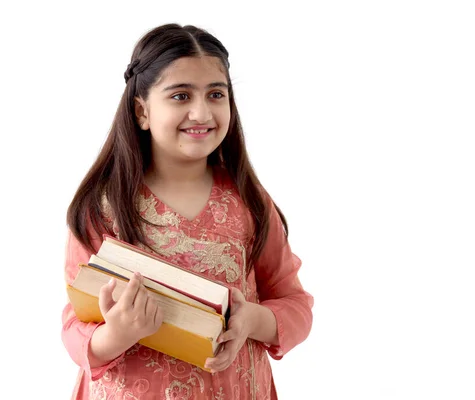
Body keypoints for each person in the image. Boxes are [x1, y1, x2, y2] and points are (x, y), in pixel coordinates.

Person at [61, 23, 314, 400]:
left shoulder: (248, 200)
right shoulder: (104, 207)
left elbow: (295, 304)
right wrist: (118, 333)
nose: (201, 112)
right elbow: (73, 326)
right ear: (142, 110)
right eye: (180, 96)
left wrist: (251, 321)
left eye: (215, 94)